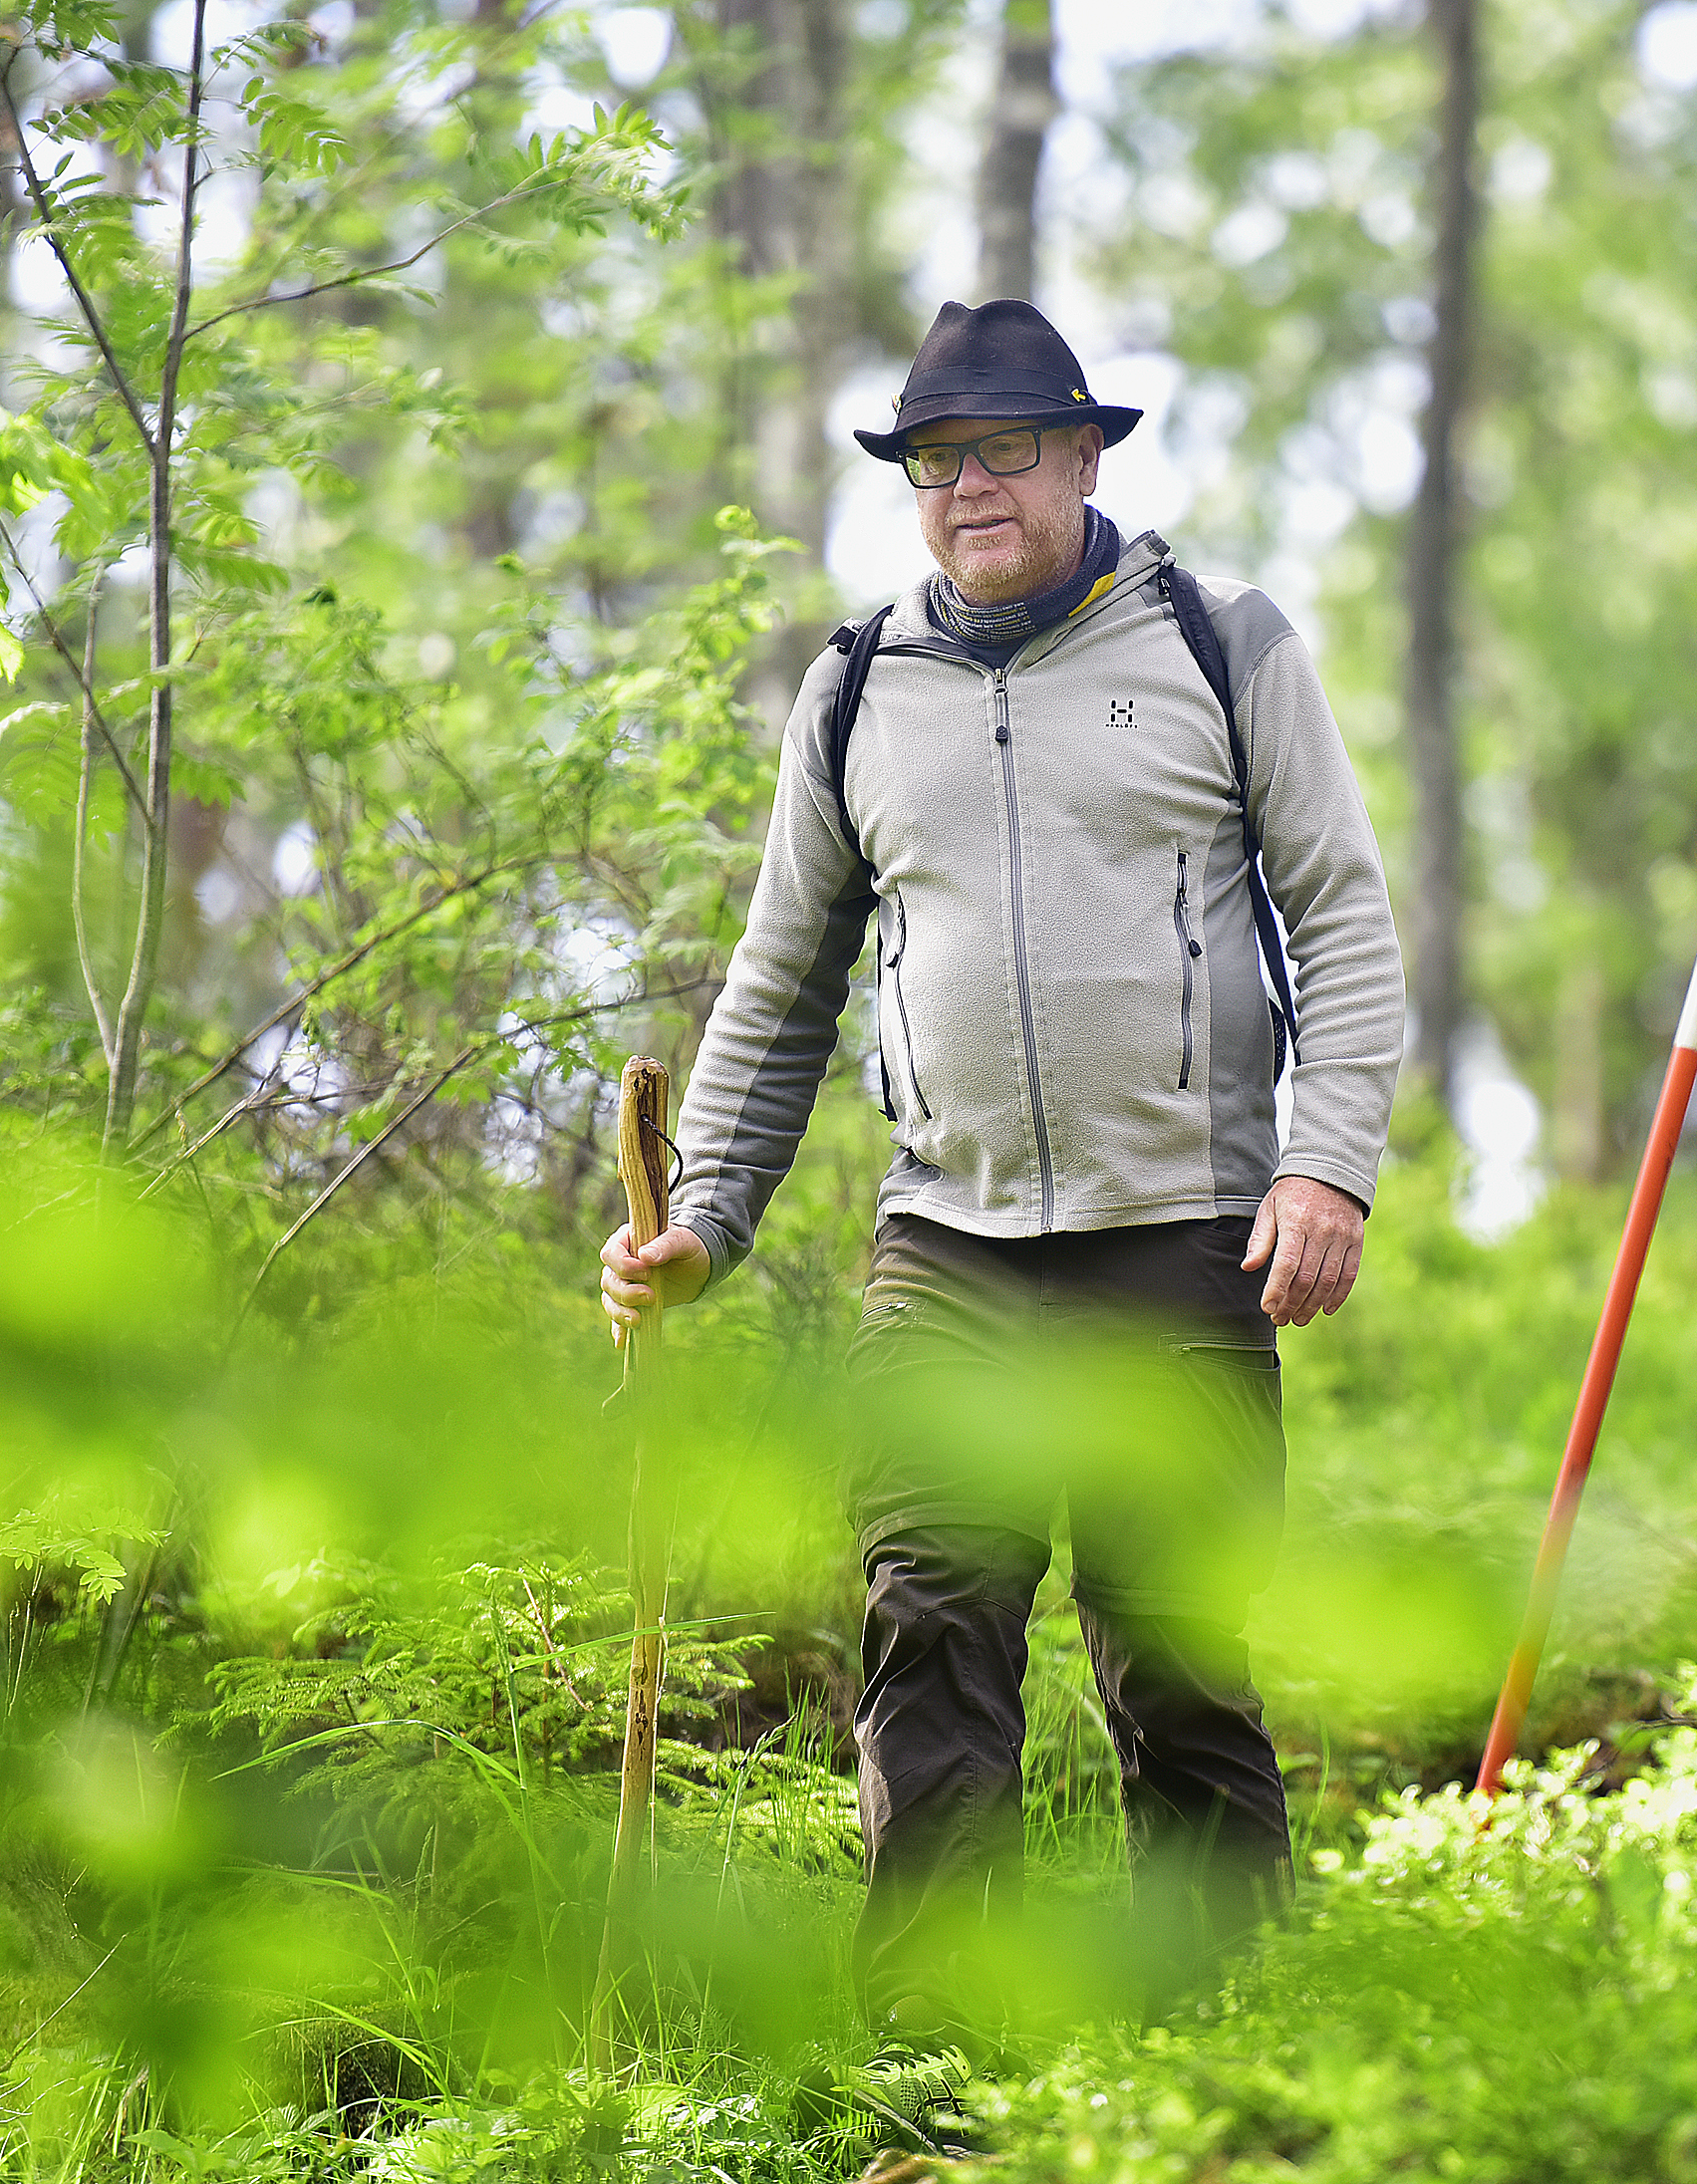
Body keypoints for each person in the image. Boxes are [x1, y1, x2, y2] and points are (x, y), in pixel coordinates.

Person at [598, 300, 1403, 2040]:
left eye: (1008, 451)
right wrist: (707, 1226)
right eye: (937, 460)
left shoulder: (1217, 638)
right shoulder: (856, 686)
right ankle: (934, 2085)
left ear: (1086, 455)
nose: (972, 487)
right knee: (926, 1638)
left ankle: (1219, 2070)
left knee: (1177, 1663)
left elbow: (1339, 912)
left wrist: (1326, 1165)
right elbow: (782, 974)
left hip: (1180, 1239)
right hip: (944, 1246)